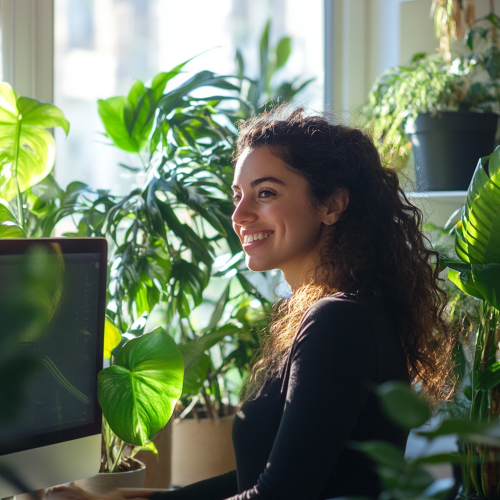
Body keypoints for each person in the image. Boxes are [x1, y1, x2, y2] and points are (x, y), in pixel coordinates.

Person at [48, 106, 453, 500]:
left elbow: (277, 494)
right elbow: (260, 476)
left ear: (331, 205)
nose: (239, 214)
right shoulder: (333, 312)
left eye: (266, 193)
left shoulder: (339, 320)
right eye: (237, 194)